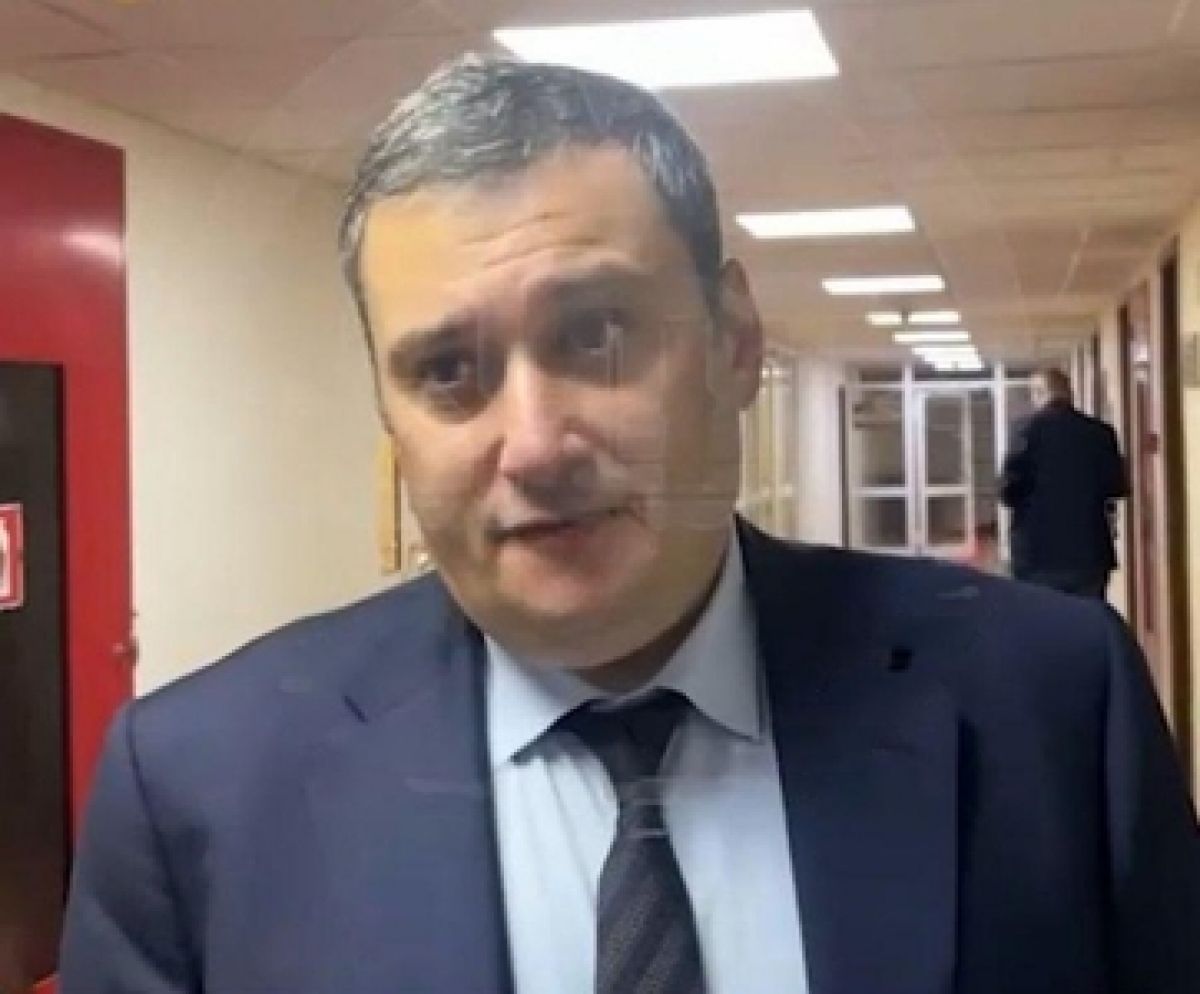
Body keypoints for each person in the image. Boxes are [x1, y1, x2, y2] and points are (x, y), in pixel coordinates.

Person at [60, 55, 1197, 994]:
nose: (535, 442)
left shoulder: (1052, 702)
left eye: (597, 334)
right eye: (448, 370)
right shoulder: (199, 791)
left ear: (734, 341)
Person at [1000, 367, 1128, 598]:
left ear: (1039, 394)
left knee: (1044, 615)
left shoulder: (1024, 431)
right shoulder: (1100, 433)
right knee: (1087, 614)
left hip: (1038, 553)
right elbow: (1116, 486)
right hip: (1089, 551)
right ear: (1069, 393)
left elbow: (1008, 492)